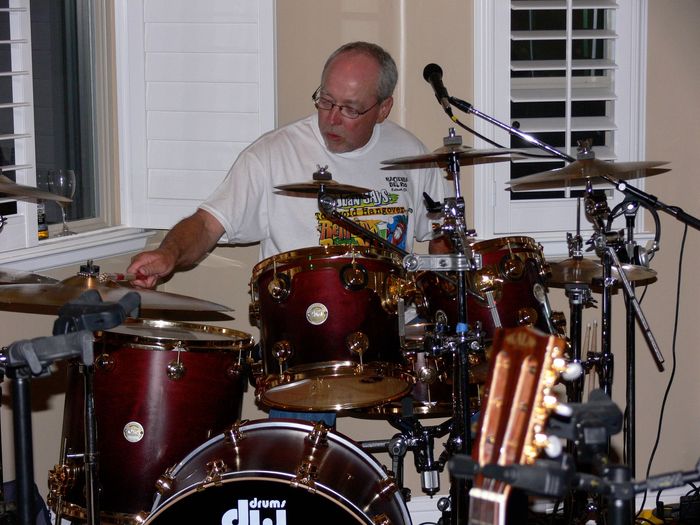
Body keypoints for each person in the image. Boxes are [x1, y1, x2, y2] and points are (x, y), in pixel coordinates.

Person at [128, 41, 451, 425]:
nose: (331, 118)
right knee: (298, 464)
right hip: (309, 344)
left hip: (395, 336)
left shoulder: (411, 155)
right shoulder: (272, 156)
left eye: (349, 109)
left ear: (383, 109)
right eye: (325, 101)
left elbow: (439, 238)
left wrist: (442, 290)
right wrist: (168, 254)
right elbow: (207, 224)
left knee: (478, 387)